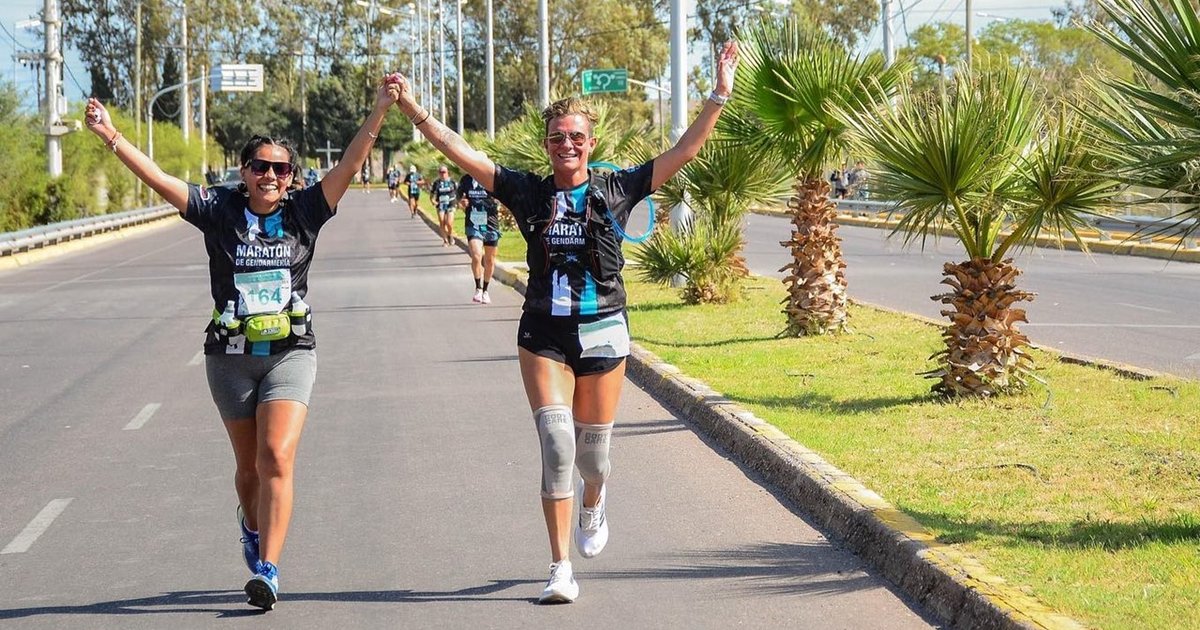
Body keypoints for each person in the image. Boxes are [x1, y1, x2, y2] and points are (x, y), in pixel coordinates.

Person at [391, 40, 739, 604]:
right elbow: (460, 151)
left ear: (590, 144)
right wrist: (412, 109)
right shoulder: (527, 190)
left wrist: (719, 93)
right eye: (557, 138)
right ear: (546, 146)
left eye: (576, 137)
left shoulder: (617, 188)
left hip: (604, 330)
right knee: (557, 446)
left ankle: (594, 503)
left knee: (593, 456)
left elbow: (685, 150)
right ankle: (559, 568)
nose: (567, 145)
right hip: (544, 334)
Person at [83, 75, 402, 612]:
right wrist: (111, 136)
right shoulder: (219, 210)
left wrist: (380, 110)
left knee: (277, 455)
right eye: (261, 166)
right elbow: (160, 177)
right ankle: (250, 525)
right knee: (249, 467)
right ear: (244, 172)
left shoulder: (305, 213)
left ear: (291, 177)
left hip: (290, 353)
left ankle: (269, 570)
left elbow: (348, 164)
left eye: (281, 168)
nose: (271, 175)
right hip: (228, 359)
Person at [458, 172, 501, 304]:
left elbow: (504, 197)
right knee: (476, 255)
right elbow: (460, 198)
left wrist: (498, 201)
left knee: (489, 260)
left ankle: (486, 290)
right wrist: (462, 202)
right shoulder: (466, 180)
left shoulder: (493, 179)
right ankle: (478, 288)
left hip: (491, 224)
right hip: (473, 223)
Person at [430, 165, 457, 246]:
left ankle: (450, 235)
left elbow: (458, 192)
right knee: (442, 222)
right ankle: (445, 240)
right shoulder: (437, 183)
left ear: (447, 172)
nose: (442, 174)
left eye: (444, 172)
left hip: (451, 203)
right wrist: (433, 201)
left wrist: (459, 202)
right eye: (441, 172)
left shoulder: (452, 182)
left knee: (449, 223)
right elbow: (432, 194)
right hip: (441, 204)